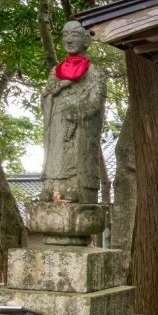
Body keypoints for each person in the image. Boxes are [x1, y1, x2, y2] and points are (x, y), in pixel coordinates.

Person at [40, 20, 106, 204]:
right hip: (56, 124)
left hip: (77, 127)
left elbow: (96, 102)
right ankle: (51, 185)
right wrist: (50, 95)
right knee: (54, 153)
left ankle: (74, 186)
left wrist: (74, 110)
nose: (68, 40)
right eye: (65, 35)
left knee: (74, 155)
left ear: (86, 40)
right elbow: (47, 96)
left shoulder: (94, 72)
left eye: (74, 35)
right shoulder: (55, 72)